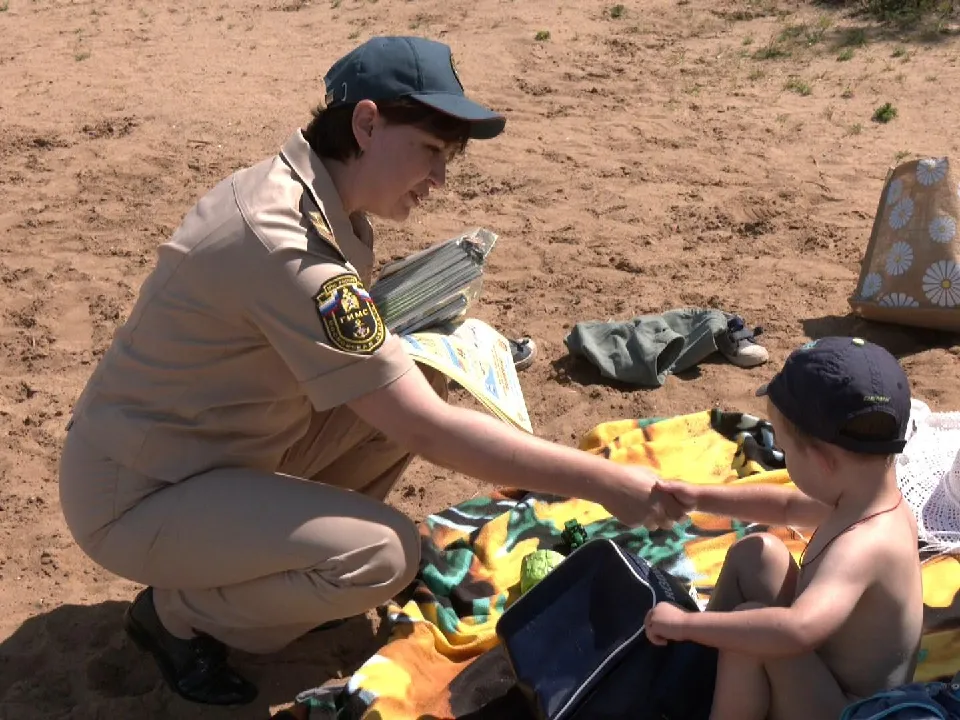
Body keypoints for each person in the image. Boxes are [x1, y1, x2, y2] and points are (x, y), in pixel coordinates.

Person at [57, 35, 683, 707]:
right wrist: (602, 480)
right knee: (381, 556)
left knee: (421, 375)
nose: (440, 178)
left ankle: (272, 561)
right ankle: (176, 614)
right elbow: (429, 433)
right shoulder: (285, 240)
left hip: (218, 450)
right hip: (138, 495)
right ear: (366, 123)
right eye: (431, 151)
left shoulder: (316, 198)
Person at [644, 336, 924, 720]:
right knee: (757, 553)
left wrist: (689, 624)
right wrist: (699, 497)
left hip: (851, 708)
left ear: (824, 461)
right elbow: (786, 505)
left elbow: (796, 630)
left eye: (786, 450)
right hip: (821, 673)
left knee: (753, 639)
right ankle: (698, 670)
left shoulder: (865, 544)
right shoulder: (866, 495)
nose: (783, 460)